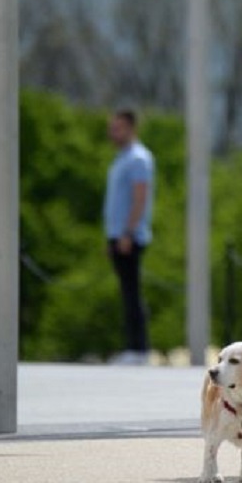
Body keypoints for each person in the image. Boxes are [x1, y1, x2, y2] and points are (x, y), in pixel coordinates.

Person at [103, 109, 155, 366]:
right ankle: (133, 345)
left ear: (131, 128)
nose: (114, 133)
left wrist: (127, 232)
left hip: (129, 236)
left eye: (119, 128)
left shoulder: (138, 159)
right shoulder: (121, 158)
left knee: (132, 292)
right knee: (127, 292)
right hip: (117, 234)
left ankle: (139, 348)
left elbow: (140, 197)